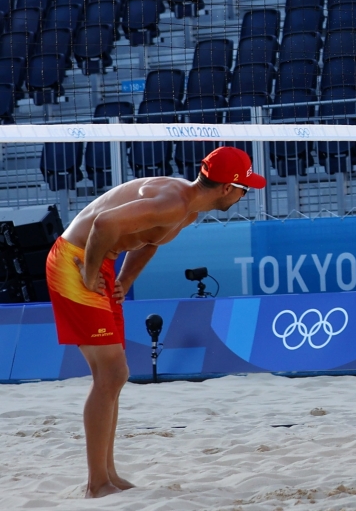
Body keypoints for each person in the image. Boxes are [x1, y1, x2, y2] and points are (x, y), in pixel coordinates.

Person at [47, 146, 264, 497]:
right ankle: (96, 483)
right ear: (227, 188)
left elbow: (149, 241)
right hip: (76, 262)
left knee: (114, 376)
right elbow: (104, 224)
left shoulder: (187, 209)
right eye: (244, 188)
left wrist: (125, 280)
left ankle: (108, 475)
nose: (245, 195)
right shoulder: (173, 203)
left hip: (99, 260)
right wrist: (88, 273)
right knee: (111, 373)